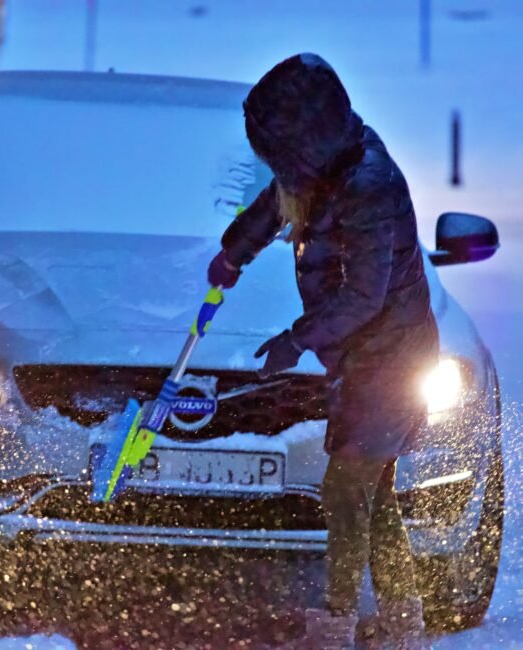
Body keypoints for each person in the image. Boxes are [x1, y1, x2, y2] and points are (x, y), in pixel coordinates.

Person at [208, 53, 439, 649]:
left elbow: (364, 296)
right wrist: (235, 252)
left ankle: (337, 624)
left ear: (305, 141)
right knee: (371, 493)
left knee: (344, 489)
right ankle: (402, 620)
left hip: (392, 360)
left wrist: (296, 339)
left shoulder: (369, 185)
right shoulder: (323, 169)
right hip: (366, 361)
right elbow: (274, 205)